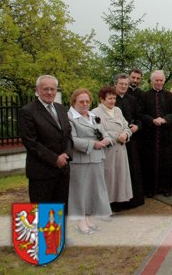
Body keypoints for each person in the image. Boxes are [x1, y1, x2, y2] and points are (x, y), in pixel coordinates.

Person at [19, 75, 73, 208]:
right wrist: (55, 159)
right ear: (37, 90)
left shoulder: (61, 109)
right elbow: (31, 142)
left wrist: (67, 154)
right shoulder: (27, 111)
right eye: (45, 89)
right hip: (42, 173)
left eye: (52, 89)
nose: (49, 92)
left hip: (62, 171)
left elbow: (68, 134)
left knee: (60, 212)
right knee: (44, 214)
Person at [68, 88, 112, 235]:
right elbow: (72, 140)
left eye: (87, 101)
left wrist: (107, 139)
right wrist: (93, 144)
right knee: (80, 192)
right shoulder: (70, 118)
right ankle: (80, 222)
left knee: (92, 191)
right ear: (74, 102)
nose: (85, 104)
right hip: (81, 160)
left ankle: (87, 219)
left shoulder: (92, 116)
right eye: (81, 101)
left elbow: (103, 132)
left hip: (97, 158)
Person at [139, 70, 172, 197]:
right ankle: (150, 189)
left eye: (161, 80)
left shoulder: (169, 95)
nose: (159, 83)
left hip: (165, 136)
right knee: (149, 162)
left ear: (164, 80)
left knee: (166, 162)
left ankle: (166, 187)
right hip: (150, 136)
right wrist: (152, 120)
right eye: (156, 80)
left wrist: (165, 119)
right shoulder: (145, 96)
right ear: (152, 81)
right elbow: (140, 113)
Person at [92, 86, 133, 208]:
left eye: (114, 98)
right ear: (102, 99)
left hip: (121, 150)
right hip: (107, 152)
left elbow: (126, 126)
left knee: (120, 177)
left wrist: (125, 134)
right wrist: (117, 137)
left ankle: (118, 202)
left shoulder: (118, 110)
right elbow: (98, 132)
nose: (112, 101)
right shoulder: (95, 113)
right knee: (108, 178)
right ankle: (105, 205)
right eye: (109, 98)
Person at [114, 73, 145, 209]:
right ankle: (117, 202)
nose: (123, 86)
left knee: (133, 169)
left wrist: (137, 126)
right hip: (115, 141)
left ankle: (133, 200)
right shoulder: (110, 98)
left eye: (126, 84)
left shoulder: (132, 99)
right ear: (115, 84)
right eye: (121, 84)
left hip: (130, 140)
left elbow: (139, 117)